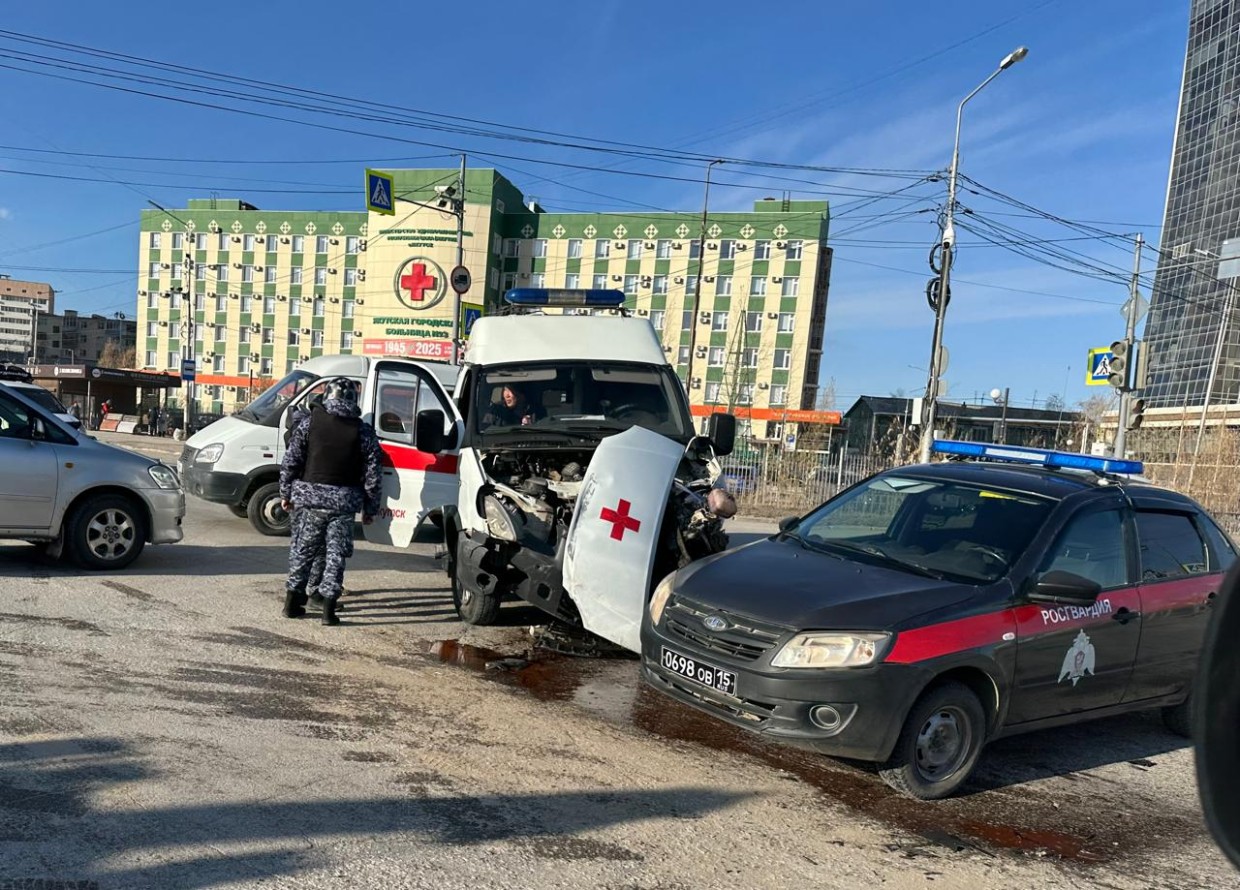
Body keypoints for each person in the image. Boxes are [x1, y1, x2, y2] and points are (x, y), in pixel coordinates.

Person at [279, 377, 382, 626]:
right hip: (343, 503)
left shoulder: (310, 423)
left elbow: (291, 460)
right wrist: (370, 507)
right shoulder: (363, 431)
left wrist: (285, 493)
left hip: (310, 500)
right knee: (336, 556)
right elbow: (373, 474)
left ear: (327, 396)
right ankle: (328, 612)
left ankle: (292, 605)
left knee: (303, 552)